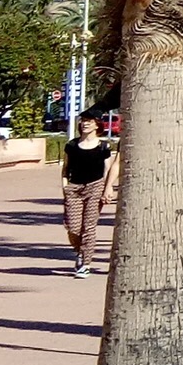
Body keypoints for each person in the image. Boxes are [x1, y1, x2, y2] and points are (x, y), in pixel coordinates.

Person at [58, 114, 116, 277]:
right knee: (73, 228)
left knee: (89, 227)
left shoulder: (103, 147)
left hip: (95, 187)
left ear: (97, 125)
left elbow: (107, 170)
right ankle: (80, 251)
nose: (85, 124)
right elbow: (65, 169)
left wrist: (107, 188)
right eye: (83, 121)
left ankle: (85, 264)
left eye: (89, 122)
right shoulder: (72, 145)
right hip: (74, 188)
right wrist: (65, 187)